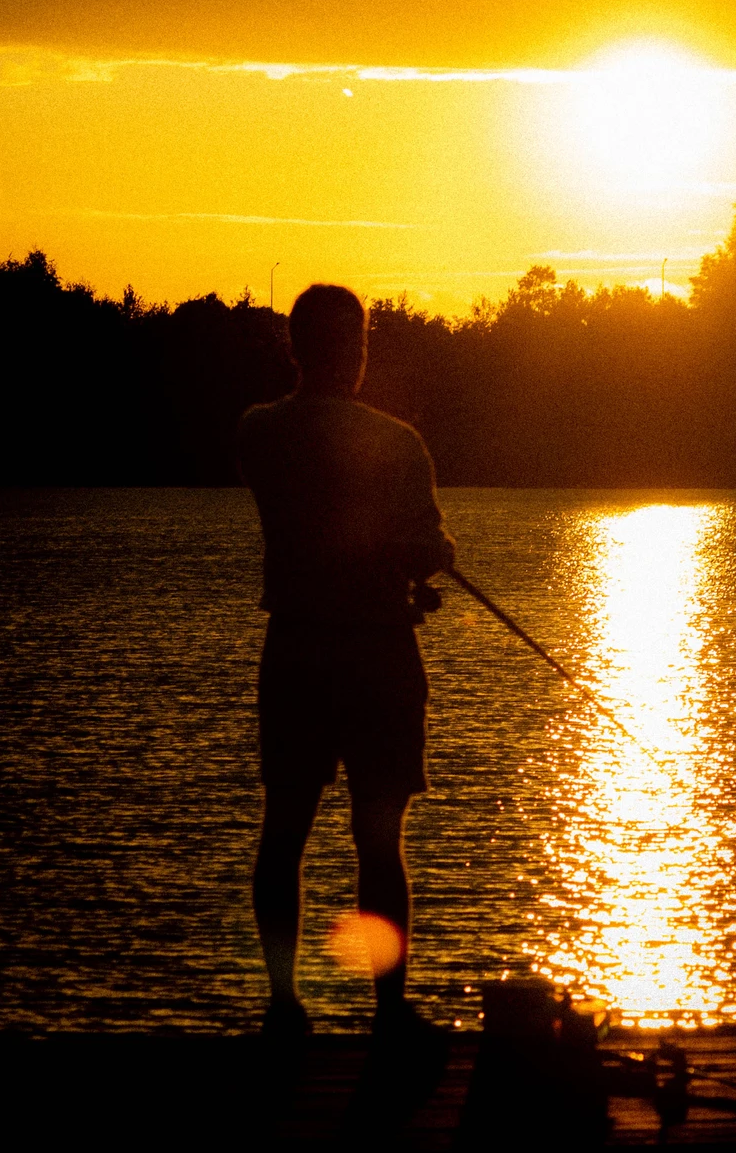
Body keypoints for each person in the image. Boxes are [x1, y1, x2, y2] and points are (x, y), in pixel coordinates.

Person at [237, 283, 454, 1043]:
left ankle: (282, 1006)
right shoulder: (398, 443)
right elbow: (423, 551)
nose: (358, 357)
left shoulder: (257, 433)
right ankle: (390, 1015)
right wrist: (422, 566)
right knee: (379, 840)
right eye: (356, 344)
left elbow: (328, 526)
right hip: (375, 654)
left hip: (295, 648)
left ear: (293, 349)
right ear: (353, 350)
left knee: (284, 829)